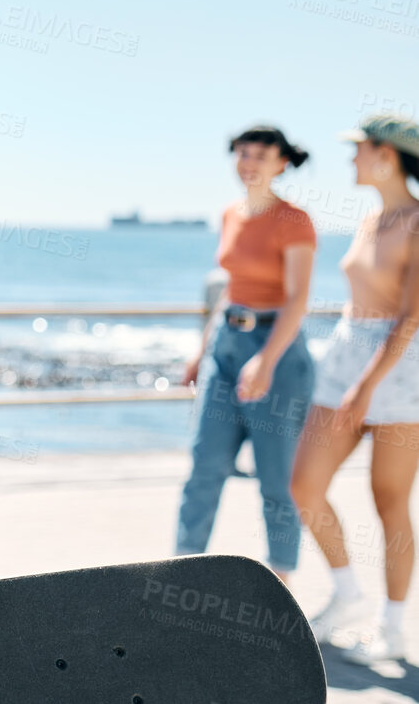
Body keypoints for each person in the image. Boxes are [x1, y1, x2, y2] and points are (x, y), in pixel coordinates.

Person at [292, 114, 419, 659]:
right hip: (344, 357)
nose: (351, 160)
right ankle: (347, 596)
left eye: (358, 150)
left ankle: (392, 629)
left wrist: (367, 386)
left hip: (399, 370)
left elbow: (410, 316)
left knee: (389, 500)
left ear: (386, 155)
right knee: (304, 486)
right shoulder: (373, 217)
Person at [176, 125, 317, 580]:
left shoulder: (295, 220)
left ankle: (282, 585)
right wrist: (201, 353)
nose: (249, 163)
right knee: (204, 466)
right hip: (227, 345)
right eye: (242, 153)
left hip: (276, 350)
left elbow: (298, 299)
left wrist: (266, 360)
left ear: (281, 163)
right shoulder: (230, 214)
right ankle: (183, 571)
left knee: (276, 481)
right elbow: (227, 290)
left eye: (260, 155)